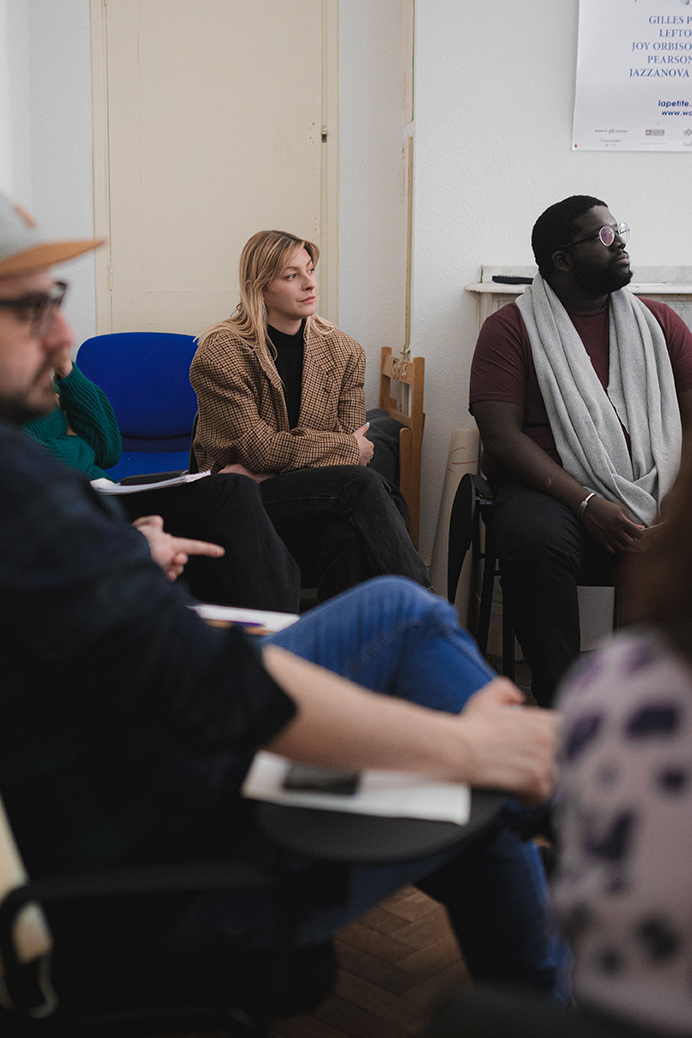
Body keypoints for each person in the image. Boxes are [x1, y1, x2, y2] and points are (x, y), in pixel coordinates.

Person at [0, 191, 569, 1005]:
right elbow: (217, 685)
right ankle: (538, 797)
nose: (63, 338)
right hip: (174, 849)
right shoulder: (25, 491)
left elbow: (315, 451)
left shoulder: (30, 497)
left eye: (56, 302)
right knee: (474, 775)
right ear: (261, 282)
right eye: (31, 309)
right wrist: (467, 751)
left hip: (142, 747)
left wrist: (122, 552)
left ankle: (527, 790)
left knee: (394, 604)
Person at [426, 435, 692, 1038]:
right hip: (555, 510)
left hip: (628, 1010)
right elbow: (500, 433)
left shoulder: (619, 685)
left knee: (464, 1018)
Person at [469, 195, 692, 706]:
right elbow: (501, 437)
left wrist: (678, 502)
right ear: (561, 260)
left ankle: (660, 698)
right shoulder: (509, 328)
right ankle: (561, 702)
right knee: (531, 537)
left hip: (654, 484)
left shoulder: (659, 324)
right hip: (552, 492)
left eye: (620, 230)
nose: (622, 244)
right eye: (606, 236)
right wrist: (588, 504)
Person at [190, 229, 432, 601]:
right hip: (239, 502)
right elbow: (265, 450)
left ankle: (336, 651)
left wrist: (270, 464)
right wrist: (337, 449)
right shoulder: (222, 350)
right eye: (291, 276)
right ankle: (425, 609)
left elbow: (348, 452)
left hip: (311, 498)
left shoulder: (344, 351)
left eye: (311, 270)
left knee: (350, 533)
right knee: (361, 486)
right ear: (258, 287)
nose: (309, 284)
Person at [22, 340, 301, 612]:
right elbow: (28, 462)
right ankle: (279, 633)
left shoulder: (43, 379)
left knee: (226, 515)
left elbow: (108, 449)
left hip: (109, 491)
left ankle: (261, 631)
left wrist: (66, 371)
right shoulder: (12, 392)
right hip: (76, 506)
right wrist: (79, 444)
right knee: (231, 490)